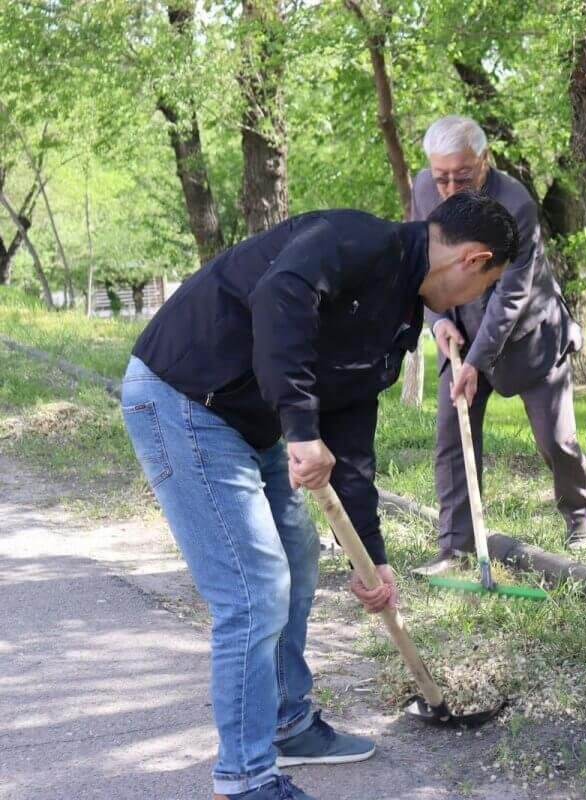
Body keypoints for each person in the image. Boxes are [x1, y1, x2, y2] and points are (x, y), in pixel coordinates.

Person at [121, 192, 518, 800]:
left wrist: (372, 554)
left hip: (253, 420)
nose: (473, 304)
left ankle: (287, 721)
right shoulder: (353, 239)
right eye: (484, 288)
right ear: (473, 260)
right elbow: (279, 299)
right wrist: (303, 432)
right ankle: (247, 777)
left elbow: (353, 431)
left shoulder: (400, 313)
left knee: (298, 568)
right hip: (185, 399)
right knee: (254, 591)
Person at [408, 115, 586, 577]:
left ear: (484, 160)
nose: (449, 186)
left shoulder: (516, 202)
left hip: (529, 334)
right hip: (460, 331)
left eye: (462, 175)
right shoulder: (424, 189)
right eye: (441, 176)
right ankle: (456, 548)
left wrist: (475, 361)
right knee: (452, 438)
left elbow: (512, 293)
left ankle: (579, 516)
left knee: (557, 440)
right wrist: (437, 324)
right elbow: (421, 263)